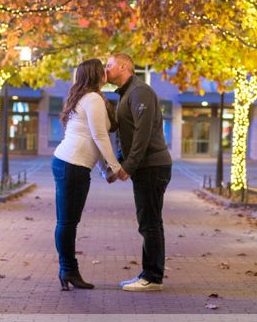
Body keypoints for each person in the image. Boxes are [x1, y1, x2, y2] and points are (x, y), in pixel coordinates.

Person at [52, 58, 122, 291]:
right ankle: (68, 270)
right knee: (67, 221)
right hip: (72, 164)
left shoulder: (86, 97)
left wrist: (105, 170)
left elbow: (93, 138)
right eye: (103, 70)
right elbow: (100, 136)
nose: (106, 72)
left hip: (70, 163)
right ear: (96, 75)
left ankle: (67, 270)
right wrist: (115, 167)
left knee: (68, 221)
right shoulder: (92, 99)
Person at [105, 53, 172, 292]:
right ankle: (149, 274)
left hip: (152, 166)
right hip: (147, 166)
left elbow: (142, 135)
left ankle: (153, 277)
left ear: (123, 67)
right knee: (149, 221)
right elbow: (128, 134)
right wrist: (119, 163)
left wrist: (128, 166)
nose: (106, 69)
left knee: (150, 222)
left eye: (109, 65)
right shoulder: (127, 94)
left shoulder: (139, 92)